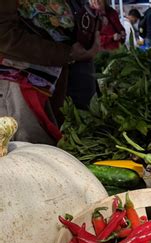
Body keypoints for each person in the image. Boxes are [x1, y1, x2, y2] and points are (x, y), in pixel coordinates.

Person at [0, 0, 99, 144]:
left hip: (66, 75)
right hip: (24, 84)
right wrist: (67, 53)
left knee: (76, 144)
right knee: (35, 152)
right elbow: (5, 36)